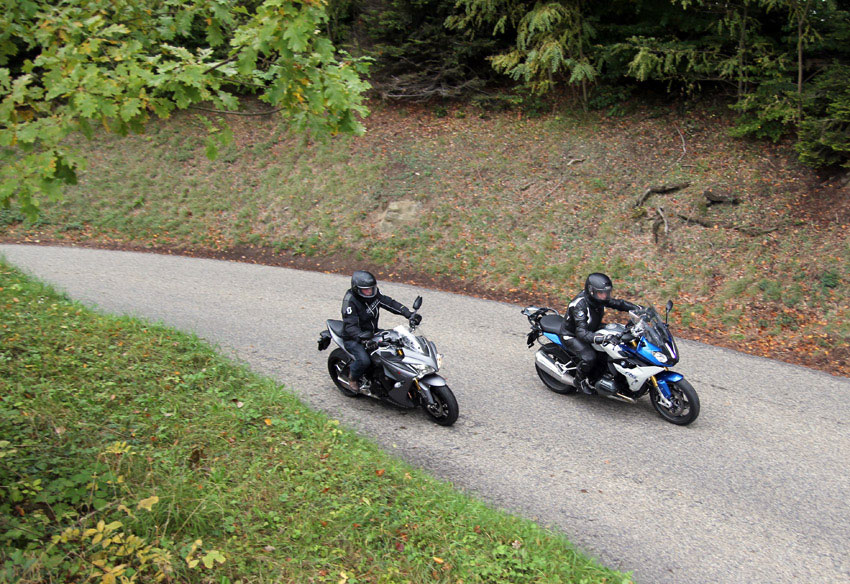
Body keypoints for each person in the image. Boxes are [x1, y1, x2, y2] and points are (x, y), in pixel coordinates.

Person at [341, 270, 421, 393]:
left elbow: (389, 303)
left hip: (372, 332)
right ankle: (353, 378)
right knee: (364, 360)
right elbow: (350, 326)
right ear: (357, 289)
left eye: (371, 289)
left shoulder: (374, 294)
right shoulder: (350, 302)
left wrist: (408, 314)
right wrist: (363, 339)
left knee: (396, 343)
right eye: (366, 290)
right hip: (354, 338)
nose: (369, 292)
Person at [560, 273, 639, 394]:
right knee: (590, 357)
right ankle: (579, 381)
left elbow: (618, 304)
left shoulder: (598, 298)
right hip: (572, 334)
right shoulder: (580, 306)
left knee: (619, 343)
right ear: (591, 291)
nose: (605, 295)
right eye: (602, 293)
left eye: (607, 292)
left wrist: (637, 309)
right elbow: (581, 333)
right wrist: (602, 338)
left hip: (592, 328)